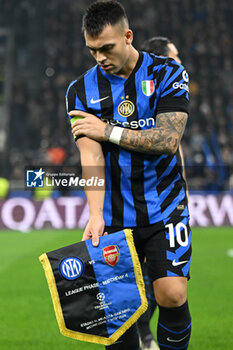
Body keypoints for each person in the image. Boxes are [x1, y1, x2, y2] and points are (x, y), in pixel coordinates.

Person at [66, 2, 192, 350]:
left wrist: (109, 130)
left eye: (107, 48)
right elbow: (90, 158)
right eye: (93, 50)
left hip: (165, 206)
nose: (100, 57)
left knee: (171, 294)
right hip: (114, 214)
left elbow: (167, 141)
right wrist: (94, 215)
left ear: (128, 36)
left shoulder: (168, 74)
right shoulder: (79, 91)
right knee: (119, 313)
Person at [136, 36, 189, 350]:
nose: (179, 61)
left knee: (169, 286)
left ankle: (147, 337)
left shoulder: (171, 96)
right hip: (145, 207)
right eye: (175, 55)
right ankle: (143, 336)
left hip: (171, 203)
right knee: (150, 281)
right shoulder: (147, 98)